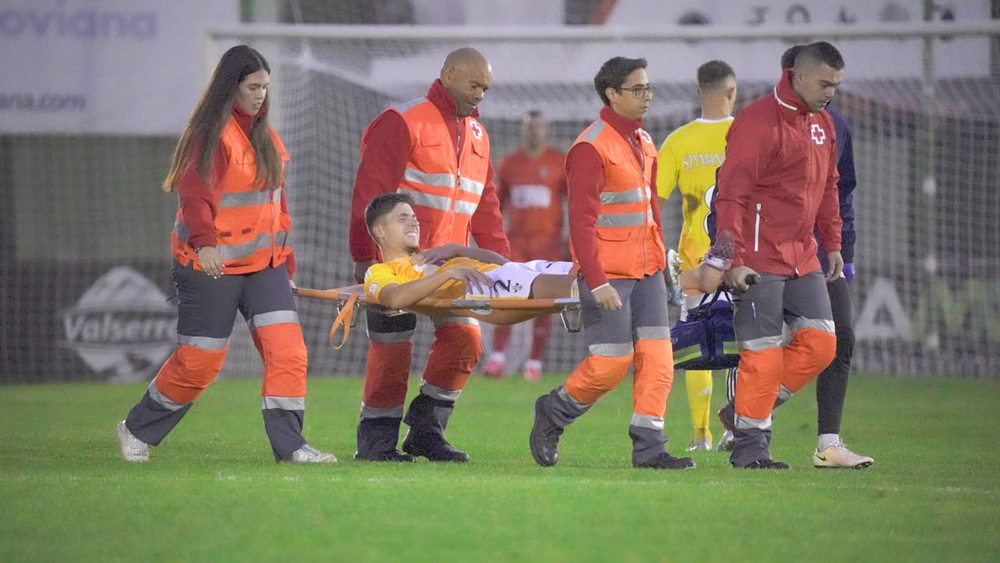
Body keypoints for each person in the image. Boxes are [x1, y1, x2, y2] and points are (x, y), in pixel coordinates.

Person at [114, 45, 335, 463]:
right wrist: (205, 243)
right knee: (200, 364)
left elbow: (277, 206)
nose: (261, 96)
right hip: (209, 266)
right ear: (230, 88)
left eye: (266, 88)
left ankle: (292, 448)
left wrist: (286, 262)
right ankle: (135, 428)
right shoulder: (210, 137)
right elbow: (195, 194)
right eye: (253, 87)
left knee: (288, 352)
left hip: (265, 268)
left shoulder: (267, 137)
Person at [529, 57, 695, 470]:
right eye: (637, 89)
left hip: (649, 273)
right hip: (609, 277)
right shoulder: (590, 147)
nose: (647, 97)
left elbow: (651, 213)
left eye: (648, 88)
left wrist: (664, 265)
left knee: (658, 360)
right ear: (612, 94)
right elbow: (580, 224)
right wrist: (596, 279)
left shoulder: (644, 141)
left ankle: (651, 448)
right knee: (610, 364)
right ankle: (553, 411)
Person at [348, 48, 510, 463]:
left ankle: (426, 431)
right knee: (391, 354)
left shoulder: (478, 135)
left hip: (452, 268)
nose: (480, 95)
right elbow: (369, 195)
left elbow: (486, 207)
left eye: (486, 88)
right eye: (474, 85)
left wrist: (503, 266)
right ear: (448, 74)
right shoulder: (402, 122)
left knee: (466, 341)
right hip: (395, 265)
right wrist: (368, 261)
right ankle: (376, 443)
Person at [715, 46, 873, 469]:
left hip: (804, 255)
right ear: (797, 76)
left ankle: (741, 413)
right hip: (757, 254)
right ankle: (751, 447)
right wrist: (732, 259)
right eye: (824, 84)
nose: (831, 94)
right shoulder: (756, 122)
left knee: (823, 344)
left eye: (836, 86)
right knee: (763, 353)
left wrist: (835, 244)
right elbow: (731, 193)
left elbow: (829, 188)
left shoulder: (824, 125)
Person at [656, 59, 737, 452]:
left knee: (696, 343)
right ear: (732, 92)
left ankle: (700, 435)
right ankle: (740, 426)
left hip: (694, 265)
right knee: (747, 345)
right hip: (743, 260)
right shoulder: (748, 134)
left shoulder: (677, 141)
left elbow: (652, 202)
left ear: (697, 91)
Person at [362, 193, 576, 309]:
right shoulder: (381, 271)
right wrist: (447, 274)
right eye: (403, 218)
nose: (414, 223)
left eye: (414, 218)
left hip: (514, 270)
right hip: (490, 285)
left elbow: (503, 263)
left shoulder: (431, 255)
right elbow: (394, 299)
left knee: (592, 272)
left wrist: (457, 249)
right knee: (586, 287)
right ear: (380, 230)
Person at [482, 111, 568, 381]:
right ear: (523, 130)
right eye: (530, 127)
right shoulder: (509, 163)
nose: (535, 132)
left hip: (548, 244)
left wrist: (571, 241)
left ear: (546, 131)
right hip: (516, 243)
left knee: (544, 302)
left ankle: (534, 362)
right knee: (507, 294)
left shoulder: (559, 162)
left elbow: (573, 202)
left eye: (539, 127)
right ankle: (497, 358)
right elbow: (498, 204)